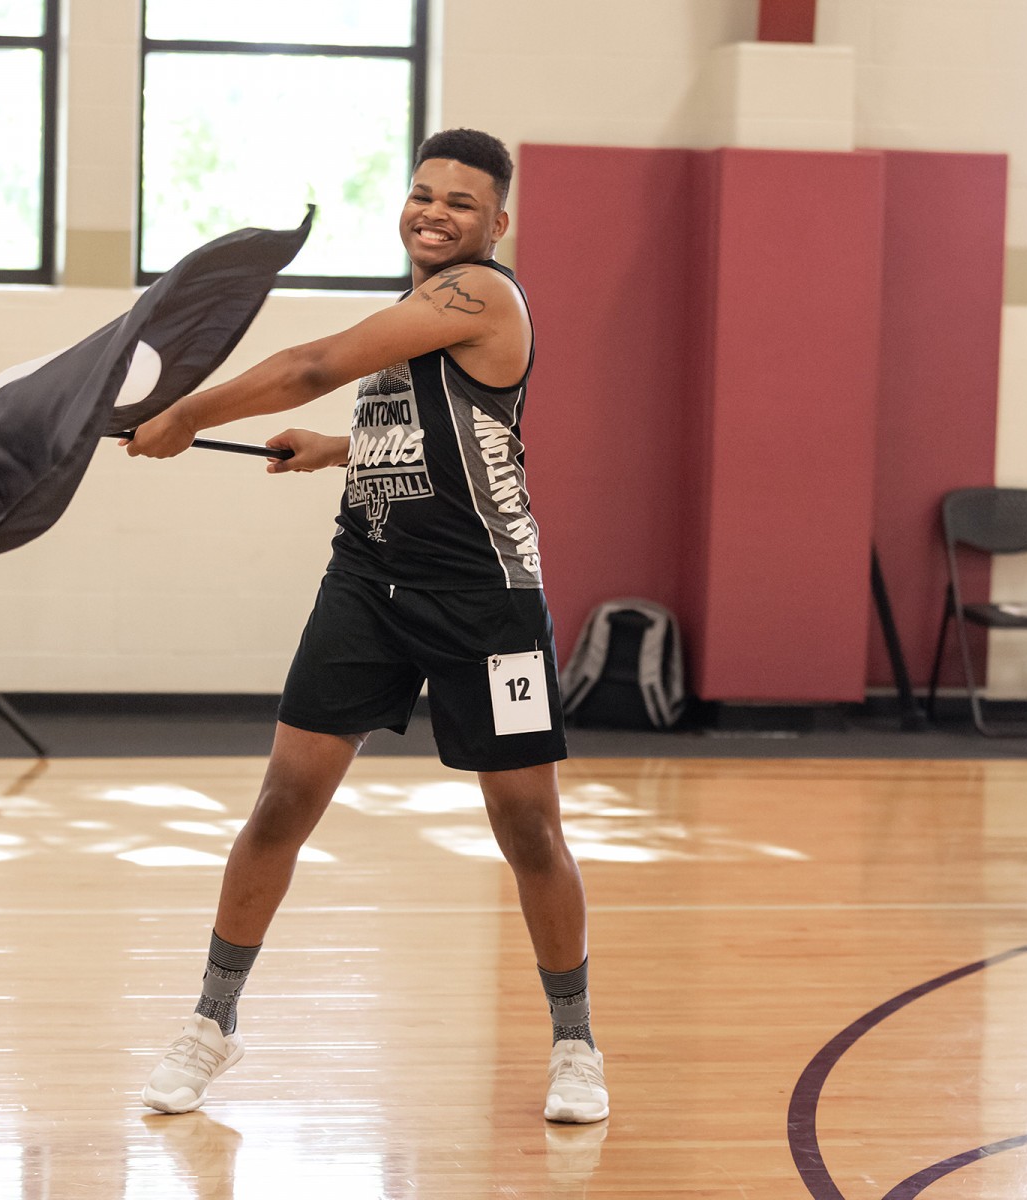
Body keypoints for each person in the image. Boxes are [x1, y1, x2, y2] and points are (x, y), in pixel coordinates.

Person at [124, 128, 607, 1124]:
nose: (434, 212)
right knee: (281, 805)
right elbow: (446, 429)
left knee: (529, 829)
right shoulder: (419, 308)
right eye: (423, 194)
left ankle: (575, 1045)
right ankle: (211, 1023)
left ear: (497, 222)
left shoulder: (481, 296)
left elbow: (311, 363)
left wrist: (185, 413)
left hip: (485, 598)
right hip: (368, 585)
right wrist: (340, 448)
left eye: (460, 202)